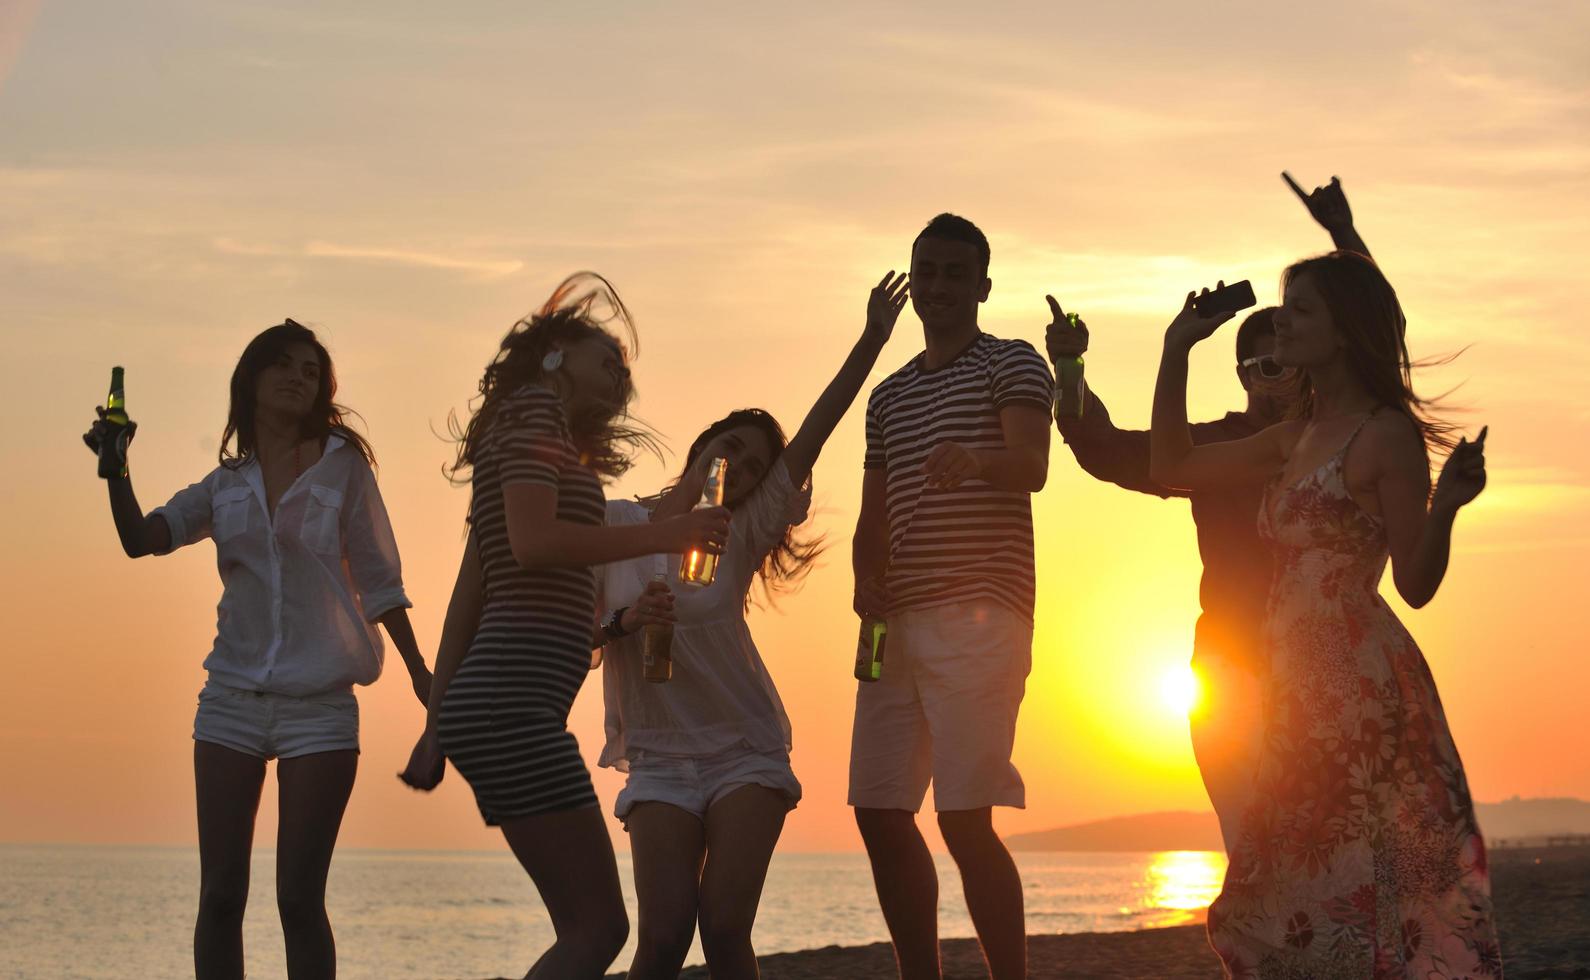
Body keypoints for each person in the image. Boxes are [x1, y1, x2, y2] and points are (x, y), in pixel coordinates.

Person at [1149, 253, 1500, 977]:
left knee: (1342, 883)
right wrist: (1176, 349)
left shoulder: (1384, 436)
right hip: (1284, 686)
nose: (1282, 323)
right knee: (1281, 880)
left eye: (1301, 310)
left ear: (1343, 332)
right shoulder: (1294, 436)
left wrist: (1448, 509)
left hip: (1355, 690)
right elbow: (1170, 465)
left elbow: (1417, 582)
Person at [399, 273, 731, 980]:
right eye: (606, 356)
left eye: (626, 371)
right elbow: (534, 545)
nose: (620, 376)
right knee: (600, 928)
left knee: (585, 927)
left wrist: (437, 723)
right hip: (511, 710)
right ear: (555, 351)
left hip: (503, 709)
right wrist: (667, 533)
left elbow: (472, 591)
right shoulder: (528, 418)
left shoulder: (535, 438)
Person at [83, 319, 432, 980]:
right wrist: (115, 469)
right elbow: (142, 538)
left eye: (310, 370)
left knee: (299, 899)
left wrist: (421, 672)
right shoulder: (226, 483)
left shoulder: (343, 467)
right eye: (284, 365)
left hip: (321, 704)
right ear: (252, 379)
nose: (298, 377)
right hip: (231, 701)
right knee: (219, 896)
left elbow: (383, 582)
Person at [1044, 173, 1372, 850]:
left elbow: (1373, 338)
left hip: (1328, 661)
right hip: (1229, 667)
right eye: (1256, 366)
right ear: (1242, 376)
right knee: (1251, 845)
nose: (1271, 376)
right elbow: (1106, 452)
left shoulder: (1341, 439)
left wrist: (1343, 237)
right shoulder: (1213, 447)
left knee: (1333, 844)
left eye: (1283, 362)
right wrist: (1071, 371)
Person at [597, 272, 910, 980]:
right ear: (704, 445)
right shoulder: (616, 526)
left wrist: (871, 339)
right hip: (656, 755)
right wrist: (624, 620)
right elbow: (572, 637)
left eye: (756, 465)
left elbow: (819, 428)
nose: (738, 465)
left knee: (725, 927)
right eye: (731, 446)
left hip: (743, 747)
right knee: (662, 938)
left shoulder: (737, 532)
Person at [851, 214, 1054, 980]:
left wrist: (976, 459)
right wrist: (862, 586)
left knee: (966, 819)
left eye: (952, 274)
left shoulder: (1013, 362)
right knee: (878, 809)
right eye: (924, 272)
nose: (935, 287)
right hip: (892, 624)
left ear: (982, 286)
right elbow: (874, 510)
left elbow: (1031, 464)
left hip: (982, 611)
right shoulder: (888, 396)